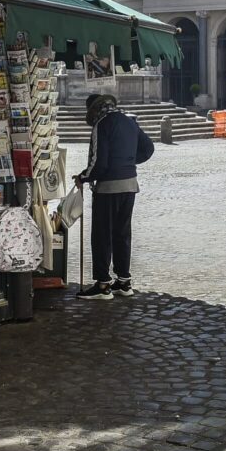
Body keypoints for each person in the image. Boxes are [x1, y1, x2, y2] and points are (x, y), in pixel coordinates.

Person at [74, 93, 154, 300]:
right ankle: (124, 281)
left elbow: (99, 162)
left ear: (94, 111)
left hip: (108, 188)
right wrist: (126, 163)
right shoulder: (129, 121)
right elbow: (148, 148)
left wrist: (83, 177)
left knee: (102, 235)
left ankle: (102, 284)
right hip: (130, 184)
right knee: (122, 233)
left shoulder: (102, 124)